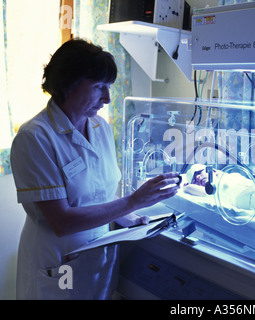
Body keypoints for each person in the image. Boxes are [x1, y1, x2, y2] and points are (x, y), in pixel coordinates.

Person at [10, 39, 179, 300]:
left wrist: (132, 220)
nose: (108, 98)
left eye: (109, 87)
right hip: (57, 266)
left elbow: (99, 194)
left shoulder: (100, 128)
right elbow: (61, 221)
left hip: (98, 262)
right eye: (99, 87)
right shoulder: (35, 137)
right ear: (67, 84)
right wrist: (133, 202)